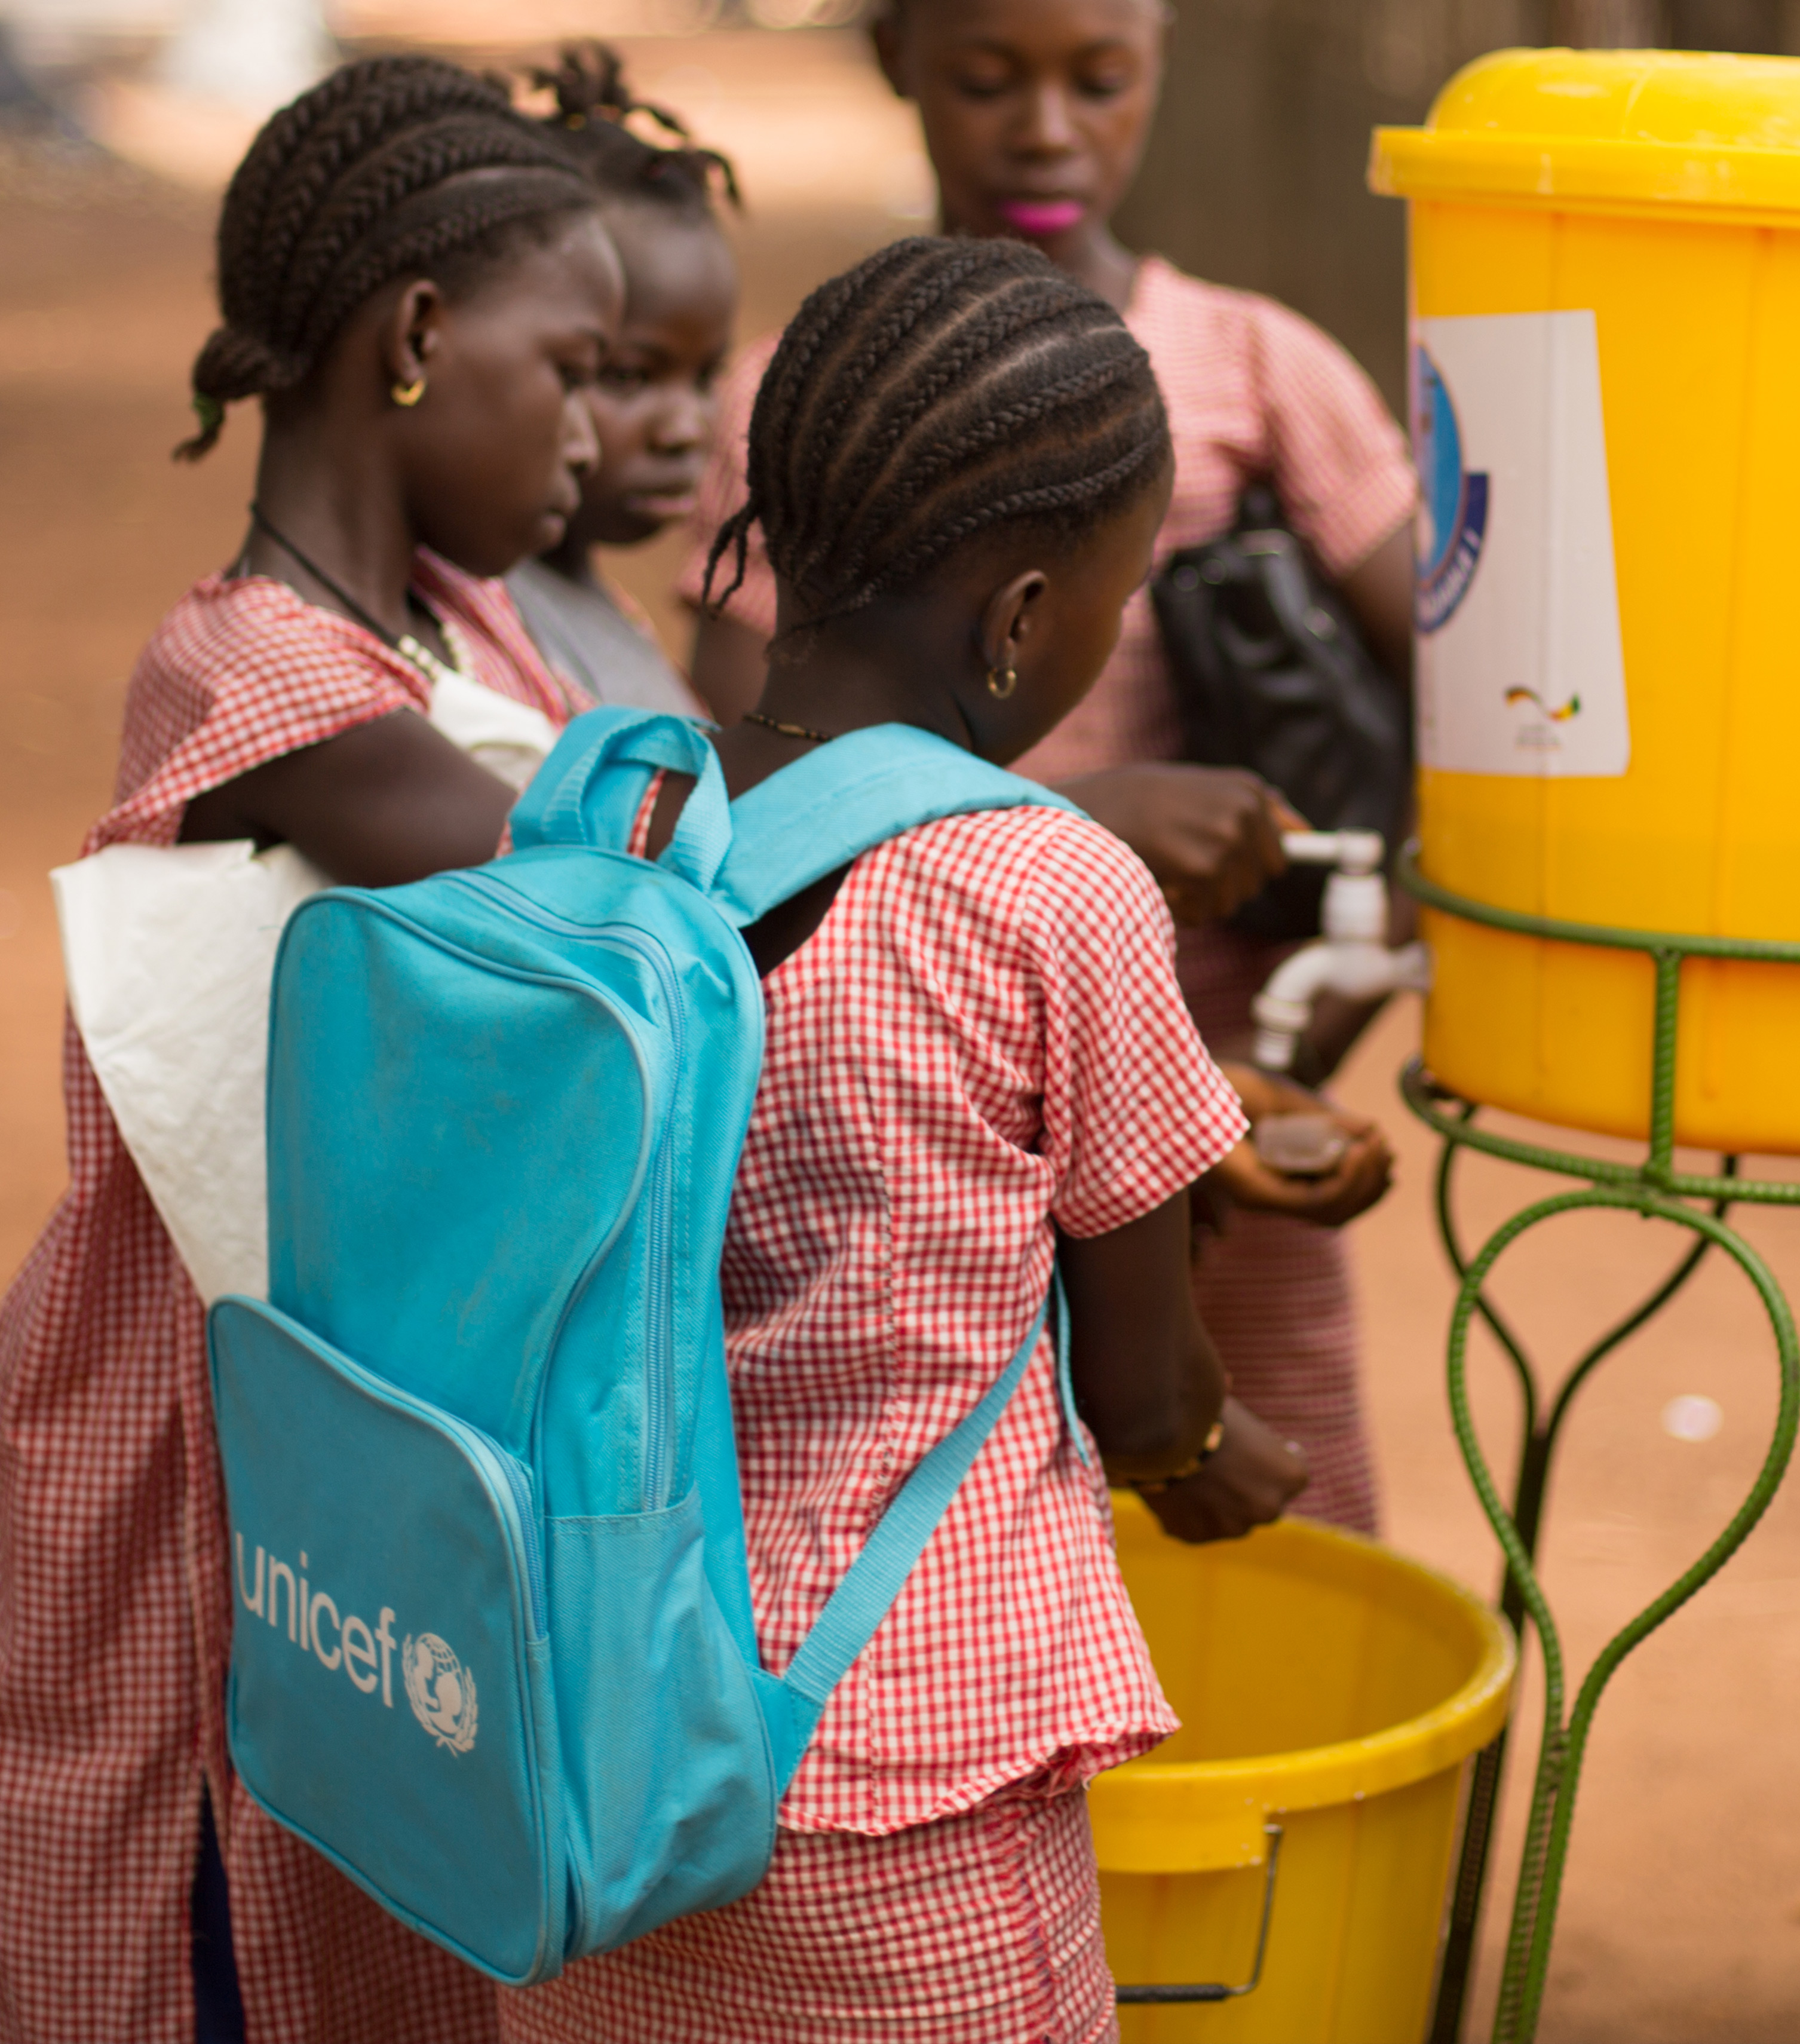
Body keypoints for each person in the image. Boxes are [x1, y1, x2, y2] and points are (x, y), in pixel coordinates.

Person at [502, 233, 1309, 2044]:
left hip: (593, 1750)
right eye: (1111, 602)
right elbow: (1149, 1394)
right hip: (904, 1768)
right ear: (1022, 622)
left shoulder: (601, 810)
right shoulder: (1047, 888)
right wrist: (1218, 1458)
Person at [0, 56, 621, 2044]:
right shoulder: (257, 672)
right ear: (416, 339)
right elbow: (584, 873)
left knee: (387, 1875)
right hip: (202, 1448)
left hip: (353, 1434)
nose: (595, 430)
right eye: (571, 368)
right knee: (226, 1899)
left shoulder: (470, 627)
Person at [679, 0, 1411, 1532]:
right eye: (991, 77)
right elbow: (760, 803)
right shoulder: (802, 405)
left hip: (1227, 1086)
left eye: (1099, 78)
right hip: (908, 1121)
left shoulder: (1257, 367)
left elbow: (1460, 667)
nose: (1046, 129)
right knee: (953, 1488)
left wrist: (1335, 971)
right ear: (899, 60)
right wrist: (1086, 829)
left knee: (1273, 1535)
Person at [505, 45, 734, 721]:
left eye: (704, 377)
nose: (685, 428)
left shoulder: (594, 605)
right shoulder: (494, 633)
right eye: (630, 376)